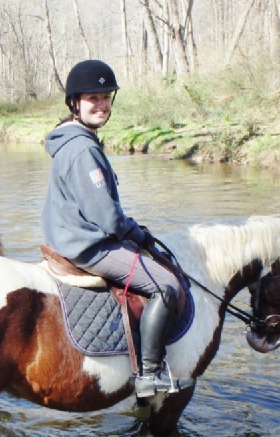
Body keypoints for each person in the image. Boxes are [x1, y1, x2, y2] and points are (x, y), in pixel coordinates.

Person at [41, 59, 193, 398]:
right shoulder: (82, 148)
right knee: (166, 286)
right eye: (92, 98)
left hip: (69, 236)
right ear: (74, 103)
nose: (101, 104)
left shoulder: (76, 139)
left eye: (106, 97)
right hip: (88, 245)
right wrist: (135, 233)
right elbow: (107, 217)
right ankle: (149, 377)